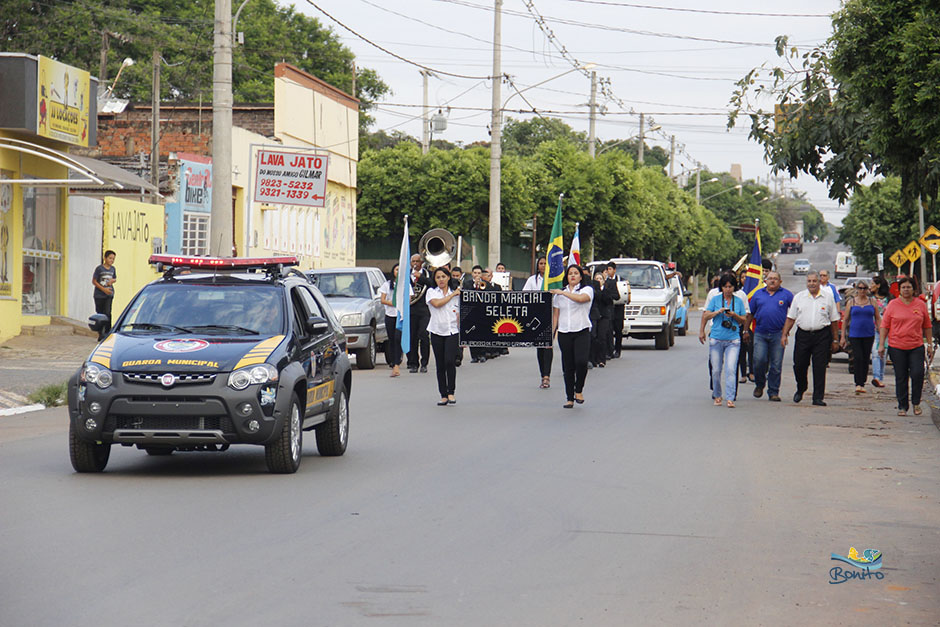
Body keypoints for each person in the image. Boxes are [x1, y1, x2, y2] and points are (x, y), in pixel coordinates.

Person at [781, 272, 840, 406]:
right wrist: (784, 334)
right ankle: (801, 387)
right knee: (799, 364)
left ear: (819, 282)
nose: (812, 284)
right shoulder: (799, 297)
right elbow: (791, 318)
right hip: (803, 335)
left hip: (822, 335)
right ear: (806, 282)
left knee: (820, 366)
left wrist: (835, 340)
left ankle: (818, 397)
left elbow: (834, 320)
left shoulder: (828, 297)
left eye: (814, 281)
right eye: (809, 281)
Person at [879, 276, 934, 416]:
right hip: (897, 346)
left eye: (909, 287)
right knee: (901, 376)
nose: (906, 290)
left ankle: (916, 402)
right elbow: (884, 326)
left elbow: (927, 326)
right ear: (899, 290)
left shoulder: (920, 304)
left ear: (913, 289)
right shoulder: (892, 304)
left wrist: (929, 344)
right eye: (903, 287)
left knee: (917, 374)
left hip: (916, 345)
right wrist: (881, 345)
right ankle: (902, 406)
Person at [699, 273, 747, 408]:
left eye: (730, 286)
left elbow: (744, 319)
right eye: (725, 287)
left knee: (731, 369)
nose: (728, 289)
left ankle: (730, 397)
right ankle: (717, 394)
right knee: (716, 369)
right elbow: (706, 315)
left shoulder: (738, 301)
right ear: (721, 287)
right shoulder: (715, 299)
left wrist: (734, 315)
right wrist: (717, 312)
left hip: (733, 340)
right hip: (716, 338)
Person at [744, 271, 793, 401]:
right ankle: (759, 384)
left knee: (776, 365)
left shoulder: (786, 295)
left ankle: (773, 391)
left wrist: (786, 331)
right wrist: (745, 331)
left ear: (780, 282)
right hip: (760, 333)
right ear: (765, 280)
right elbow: (750, 314)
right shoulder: (758, 294)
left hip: (778, 334)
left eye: (775, 279)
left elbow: (793, 314)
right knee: (759, 360)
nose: (772, 281)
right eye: (770, 278)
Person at [551, 264, 594, 408]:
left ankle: (579, 389)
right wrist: (551, 334)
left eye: (576, 273)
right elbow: (556, 315)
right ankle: (569, 397)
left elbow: (581, 299)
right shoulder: (559, 294)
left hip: (581, 330)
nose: (573, 276)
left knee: (581, 362)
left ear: (581, 276)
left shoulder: (586, 290)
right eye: (570, 274)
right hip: (564, 332)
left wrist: (563, 293)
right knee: (568, 366)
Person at [426, 267, 461, 406]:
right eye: (438, 277)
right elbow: (437, 304)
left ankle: (451, 391)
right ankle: (443, 394)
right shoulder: (431, 292)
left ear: (448, 278)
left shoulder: (456, 292)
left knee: (449, 361)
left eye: (443, 277)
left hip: (452, 331)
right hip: (437, 331)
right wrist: (452, 296)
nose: (441, 279)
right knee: (440, 364)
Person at [840, 280, 881, 395]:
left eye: (864, 288)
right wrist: (842, 336)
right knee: (857, 357)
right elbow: (846, 320)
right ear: (856, 289)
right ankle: (858, 383)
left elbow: (877, 317)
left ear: (867, 289)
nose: (862, 290)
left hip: (868, 334)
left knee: (865, 358)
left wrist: (880, 329)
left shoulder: (872, 302)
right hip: (855, 335)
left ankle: (863, 381)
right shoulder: (851, 302)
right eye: (860, 288)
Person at [524, 256, 554, 389]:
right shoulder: (532, 280)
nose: (543, 266)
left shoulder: (553, 280)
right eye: (541, 263)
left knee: (548, 345)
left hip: (550, 315)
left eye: (545, 263)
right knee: (540, 347)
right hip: (536, 318)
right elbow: (524, 295)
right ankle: (542, 374)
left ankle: (547, 376)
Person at [378, 263, 410, 378]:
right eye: (396, 269)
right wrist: (393, 303)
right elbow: (382, 300)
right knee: (391, 339)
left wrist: (401, 304)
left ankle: (397, 360)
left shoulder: (406, 284)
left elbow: (409, 298)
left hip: (400, 316)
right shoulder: (387, 285)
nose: (398, 272)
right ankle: (393, 360)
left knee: (398, 338)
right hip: (390, 315)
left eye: (400, 270)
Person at [408, 253, 434, 373]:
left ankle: (424, 363)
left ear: (421, 262)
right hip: (411, 310)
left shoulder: (428, 274)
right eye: (413, 261)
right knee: (412, 337)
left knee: (423, 336)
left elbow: (433, 284)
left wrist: (421, 277)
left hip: (424, 310)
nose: (415, 263)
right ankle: (413, 363)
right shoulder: (406, 275)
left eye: (417, 261)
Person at [870, 276, 891, 388]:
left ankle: (880, 377)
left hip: (886, 330)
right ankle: (876, 377)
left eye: (872, 283)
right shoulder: (870, 299)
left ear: (878, 285)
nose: (870, 286)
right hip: (873, 329)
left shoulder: (889, 299)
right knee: (875, 352)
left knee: (883, 354)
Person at [92, 250, 117, 341]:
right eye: (110, 258)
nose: (111, 260)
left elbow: (114, 278)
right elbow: (94, 281)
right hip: (99, 295)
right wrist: (103, 290)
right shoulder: (99, 269)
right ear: (105, 258)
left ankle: (108, 332)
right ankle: (100, 333)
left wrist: (112, 281)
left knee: (107, 313)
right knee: (100, 313)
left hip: (109, 295)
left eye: (113, 259)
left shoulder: (113, 269)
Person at [606, 262, 626, 358]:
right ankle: (610, 350)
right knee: (609, 330)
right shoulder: (604, 280)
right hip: (609, 308)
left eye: (610, 269)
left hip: (619, 308)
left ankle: (618, 350)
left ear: (614, 270)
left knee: (618, 330)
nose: (608, 271)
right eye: (607, 269)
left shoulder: (620, 280)